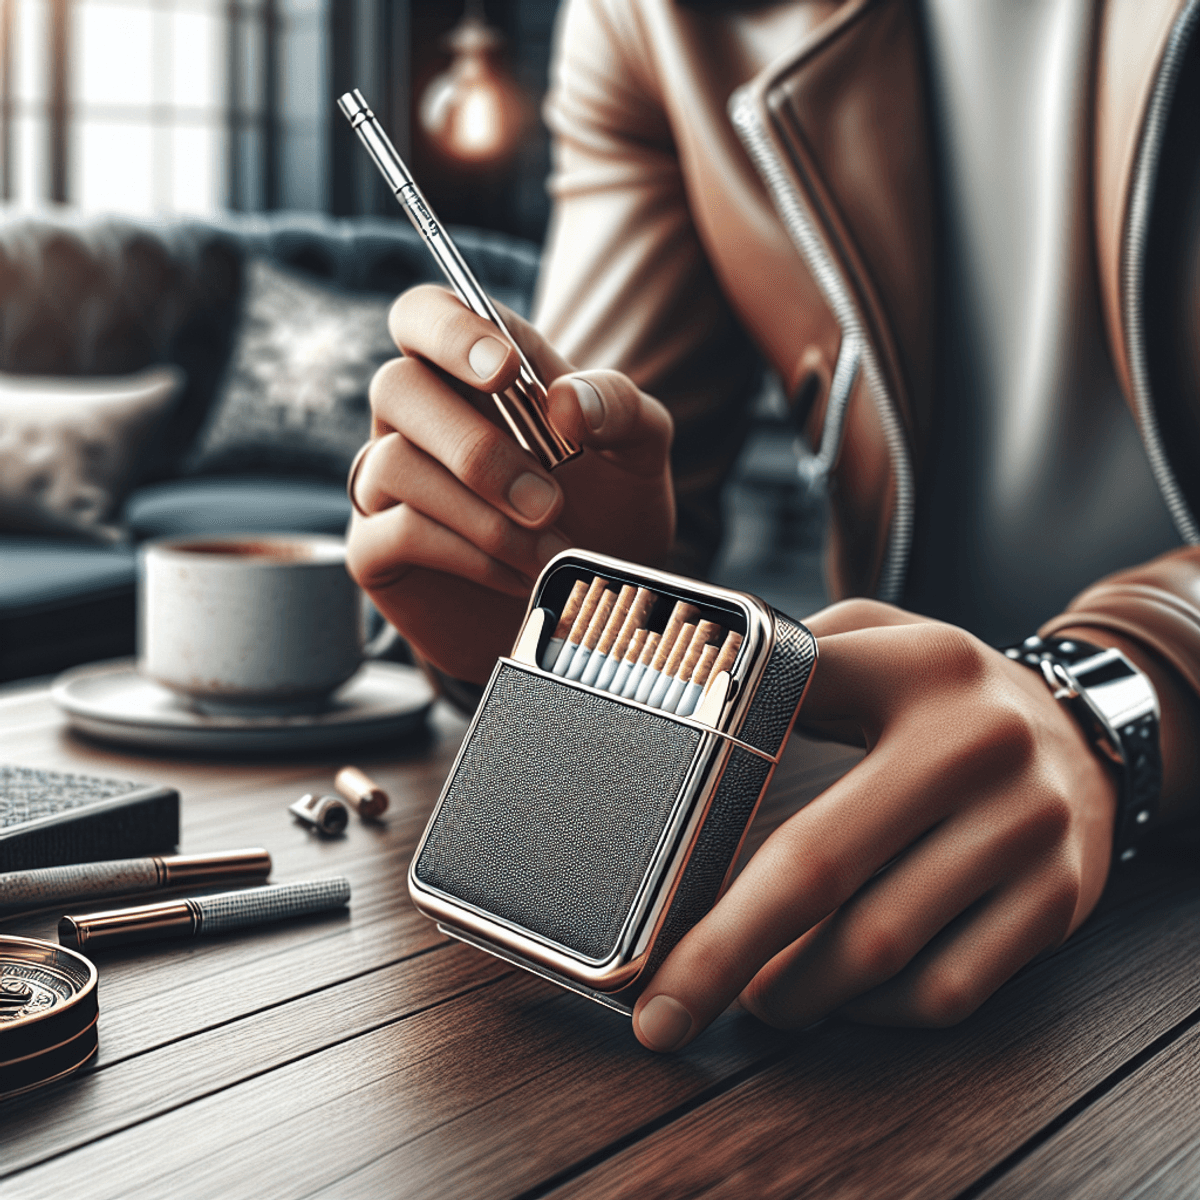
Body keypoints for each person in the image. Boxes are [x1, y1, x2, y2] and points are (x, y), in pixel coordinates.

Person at [345, 0, 1200, 1053]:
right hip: (882, 836)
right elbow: (596, 470)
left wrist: (1114, 696)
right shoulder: (653, 19)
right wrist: (528, 582)